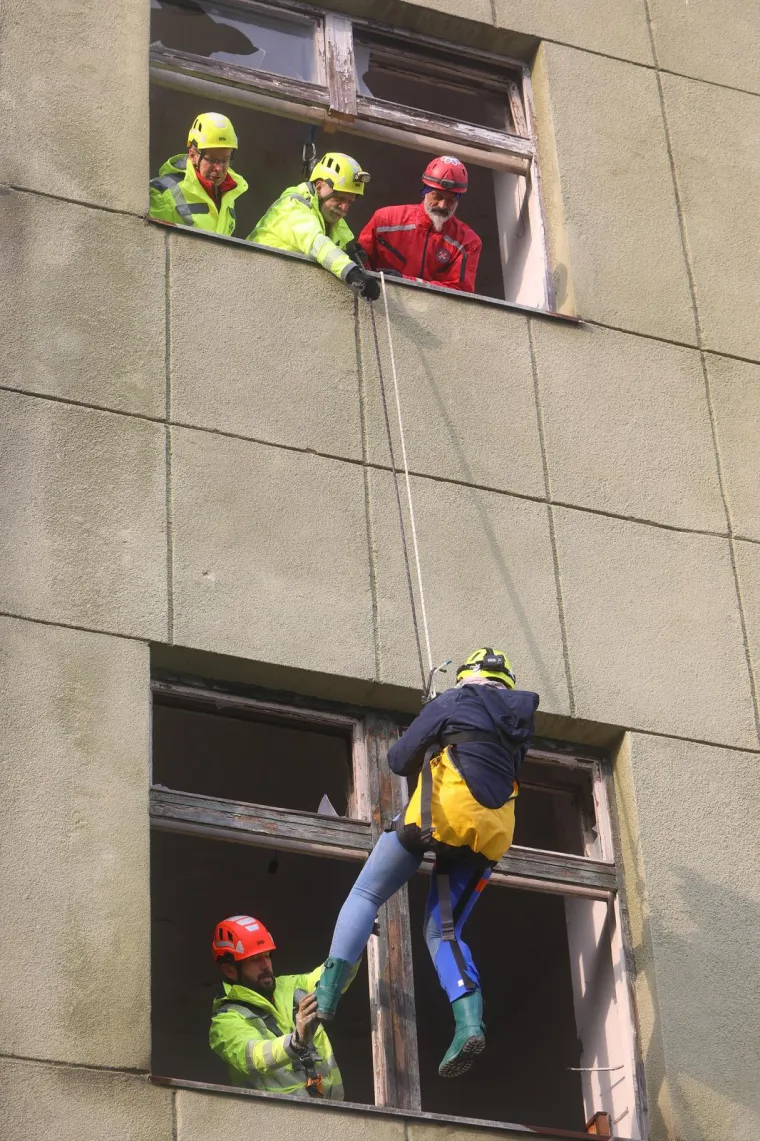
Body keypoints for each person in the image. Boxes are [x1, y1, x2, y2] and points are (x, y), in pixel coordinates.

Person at [315, 648, 539, 1078]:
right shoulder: (519, 727)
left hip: (439, 821)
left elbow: (398, 760)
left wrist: (434, 718)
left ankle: (328, 994)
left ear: (467, 677)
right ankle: (469, 1024)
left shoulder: (454, 701)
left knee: (366, 892)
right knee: (443, 929)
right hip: (488, 837)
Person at [209, 914, 356, 1099]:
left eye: (267, 956)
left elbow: (332, 981)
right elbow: (255, 1056)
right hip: (275, 1123)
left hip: (332, 1114)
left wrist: (354, 944)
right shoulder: (226, 1021)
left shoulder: (291, 986)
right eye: (255, 959)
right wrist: (296, 1042)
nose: (266, 965)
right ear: (230, 970)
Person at [248, 152, 380, 300]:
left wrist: (354, 259)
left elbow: (333, 251)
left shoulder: (331, 220)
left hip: (278, 293)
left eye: (350, 202)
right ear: (319, 186)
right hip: (254, 285)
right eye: (340, 198)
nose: (344, 208)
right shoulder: (293, 205)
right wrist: (352, 272)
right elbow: (317, 243)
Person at [357, 156, 482, 293]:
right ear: (425, 191)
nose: (442, 205)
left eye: (451, 200)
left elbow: (460, 292)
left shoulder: (468, 242)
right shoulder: (385, 220)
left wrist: (405, 281)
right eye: (437, 196)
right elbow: (360, 266)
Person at [149, 112, 248, 236]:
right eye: (212, 160)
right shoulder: (161, 194)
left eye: (225, 160)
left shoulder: (228, 193)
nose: (219, 168)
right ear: (193, 155)